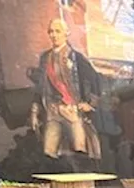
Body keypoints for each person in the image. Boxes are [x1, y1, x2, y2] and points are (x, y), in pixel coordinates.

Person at [30, 18, 101, 161]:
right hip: (52, 111)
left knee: (80, 150)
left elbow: (95, 79)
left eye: (57, 31)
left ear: (65, 34)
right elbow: (40, 87)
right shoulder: (45, 58)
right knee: (49, 151)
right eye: (51, 31)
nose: (54, 35)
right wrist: (35, 112)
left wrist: (90, 103)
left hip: (72, 110)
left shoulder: (76, 57)